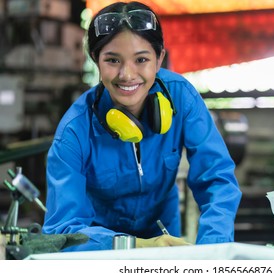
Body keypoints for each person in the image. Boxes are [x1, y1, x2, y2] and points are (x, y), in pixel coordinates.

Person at [42, 1, 242, 251]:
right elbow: (62, 231)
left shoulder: (182, 97)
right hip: (98, 250)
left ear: (159, 60)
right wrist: (138, 246)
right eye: (112, 60)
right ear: (96, 60)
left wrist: (213, 250)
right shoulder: (74, 131)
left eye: (141, 59)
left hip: (165, 237)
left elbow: (217, 179)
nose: (127, 74)